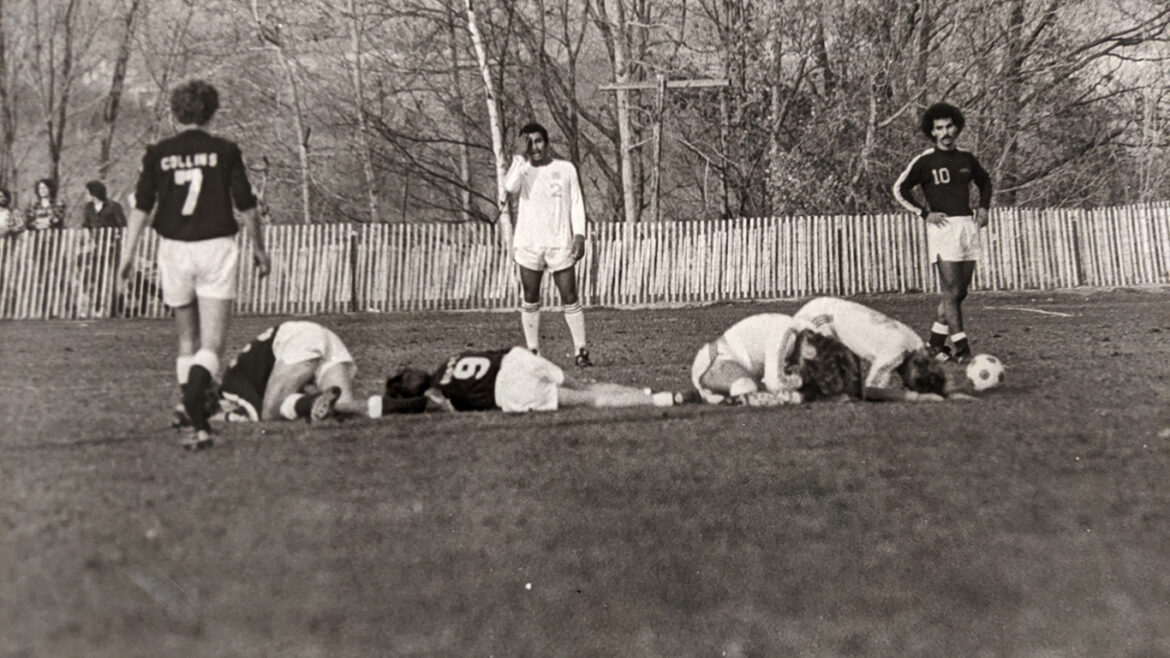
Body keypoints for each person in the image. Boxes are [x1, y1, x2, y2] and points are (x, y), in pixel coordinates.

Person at [119, 79, 271, 450]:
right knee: (213, 344)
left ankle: (188, 406)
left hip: (173, 248)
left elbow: (141, 206)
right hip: (215, 247)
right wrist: (259, 248)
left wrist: (127, 255)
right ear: (212, 111)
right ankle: (194, 411)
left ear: (175, 112)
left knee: (187, 340)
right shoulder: (225, 150)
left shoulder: (158, 152)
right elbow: (246, 204)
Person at [172, 321, 428, 434]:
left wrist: (222, 418)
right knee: (343, 411)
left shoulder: (231, 387)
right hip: (321, 337)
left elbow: (254, 416)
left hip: (297, 341)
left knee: (271, 412)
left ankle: (311, 402)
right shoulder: (233, 379)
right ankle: (423, 404)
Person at [893, 102, 993, 363]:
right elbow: (899, 189)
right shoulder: (925, 160)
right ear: (933, 132)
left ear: (957, 127)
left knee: (960, 292)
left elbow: (985, 181)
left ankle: (934, 347)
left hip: (968, 228)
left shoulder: (966, 158)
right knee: (950, 291)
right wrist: (924, 213)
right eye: (939, 128)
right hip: (943, 229)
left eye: (949, 126)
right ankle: (962, 348)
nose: (945, 132)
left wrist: (983, 207)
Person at [503, 122, 592, 366]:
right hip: (529, 244)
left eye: (539, 140)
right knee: (530, 297)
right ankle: (533, 352)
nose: (535, 147)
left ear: (547, 142)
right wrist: (518, 157)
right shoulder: (521, 169)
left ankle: (581, 350)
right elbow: (509, 187)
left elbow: (576, 203)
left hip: (559, 243)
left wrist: (580, 235)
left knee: (570, 296)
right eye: (529, 142)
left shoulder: (565, 169)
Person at [384, 346, 677, 413]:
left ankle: (667, 399)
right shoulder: (451, 359)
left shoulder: (439, 393)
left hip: (507, 389)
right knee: (588, 387)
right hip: (515, 359)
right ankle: (644, 392)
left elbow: (443, 407)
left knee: (591, 400)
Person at [794, 296, 948, 402]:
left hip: (825, 308)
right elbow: (871, 391)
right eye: (907, 383)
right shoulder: (896, 351)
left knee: (851, 392)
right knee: (823, 386)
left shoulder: (915, 341)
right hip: (816, 318)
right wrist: (914, 397)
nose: (903, 383)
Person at [689, 313, 813, 405]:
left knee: (756, 391)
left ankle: (705, 397)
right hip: (715, 362)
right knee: (747, 388)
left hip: (736, 366)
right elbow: (773, 383)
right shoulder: (786, 332)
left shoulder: (800, 331)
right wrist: (800, 383)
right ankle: (708, 397)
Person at [79, 180, 127, 318]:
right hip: (96, 246)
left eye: (87, 192)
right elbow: (86, 225)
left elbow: (122, 224)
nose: (85, 195)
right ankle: (98, 306)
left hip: (113, 246)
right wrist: (89, 240)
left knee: (114, 276)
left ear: (94, 193)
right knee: (97, 277)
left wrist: (115, 239)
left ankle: (116, 308)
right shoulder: (88, 207)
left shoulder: (113, 206)